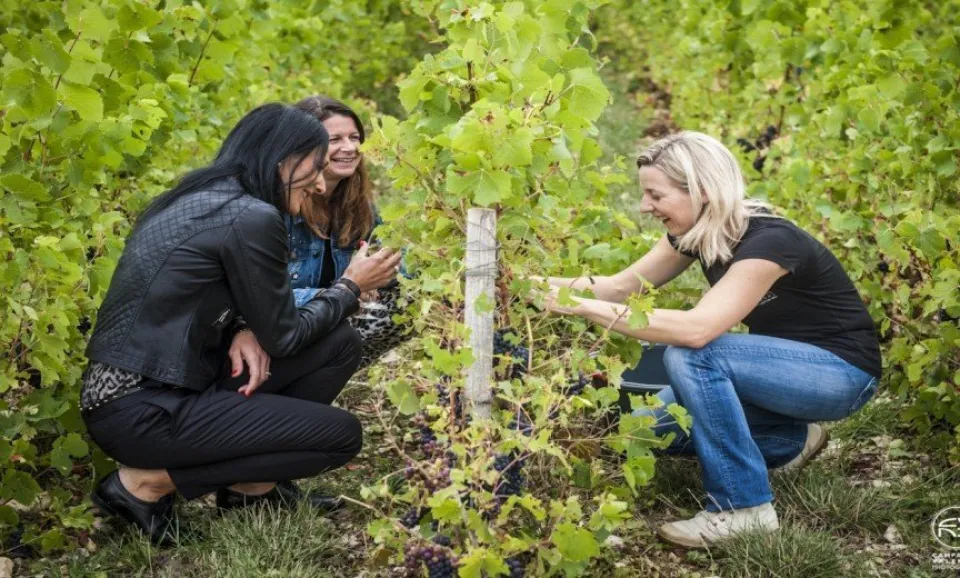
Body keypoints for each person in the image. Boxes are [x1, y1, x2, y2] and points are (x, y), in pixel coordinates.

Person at [537, 131, 880, 548]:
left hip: (839, 374)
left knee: (695, 355)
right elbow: (620, 287)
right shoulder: (698, 233)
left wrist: (582, 308)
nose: (645, 206)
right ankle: (791, 442)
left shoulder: (770, 242)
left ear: (700, 190)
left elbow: (698, 329)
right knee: (645, 430)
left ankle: (743, 508)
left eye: (655, 195)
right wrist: (525, 285)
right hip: (778, 372)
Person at [81, 103, 402, 545]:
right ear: (282, 160)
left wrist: (240, 328)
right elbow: (287, 336)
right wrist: (349, 286)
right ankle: (145, 485)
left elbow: (189, 295)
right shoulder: (252, 216)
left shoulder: (201, 199)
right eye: (315, 166)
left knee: (339, 343)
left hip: (140, 393)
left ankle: (252, 489)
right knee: (340, 437)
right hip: (144, 410)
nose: (322, 182)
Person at [286, 95, 412, 370]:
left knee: (415, 298)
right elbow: (264, 299)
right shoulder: (277, 206)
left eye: (354, 138)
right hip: (280, 331)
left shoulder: (359, 205)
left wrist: (377, 278)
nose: (350, 147)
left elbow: (391, 259)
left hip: (333, 317)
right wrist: (348, 288)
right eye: (334, 140)